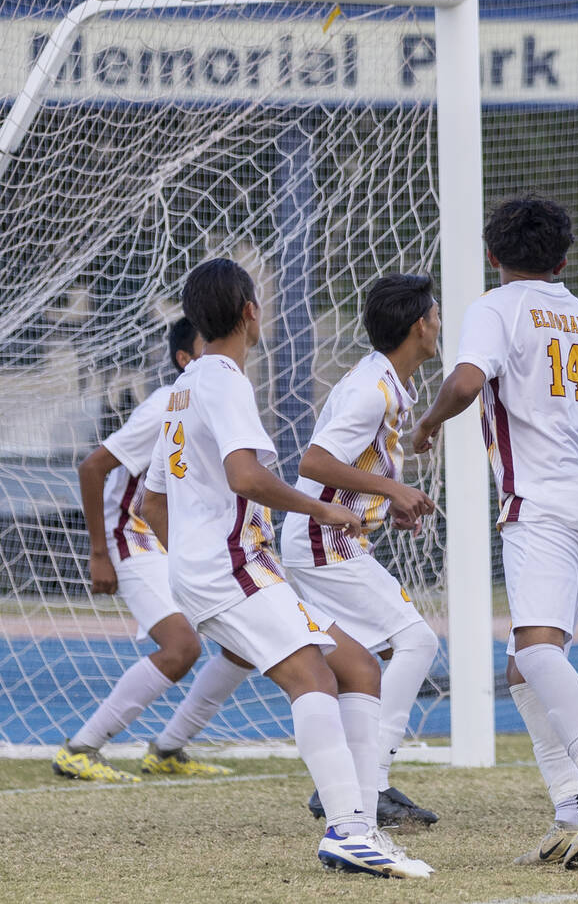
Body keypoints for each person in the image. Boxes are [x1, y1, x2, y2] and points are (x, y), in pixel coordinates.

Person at [140, 259, 431, 879]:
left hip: (218, 567)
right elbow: (248, 476)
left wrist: (190, 566)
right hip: (233, 566)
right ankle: (349, 831)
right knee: (314, 680)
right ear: (251, 311)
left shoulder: (184, 387)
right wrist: (323, 509)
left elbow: (151, 502)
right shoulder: (225, 381)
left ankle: (361, 824)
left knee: (355, 667)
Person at [411, 195, 578, 869]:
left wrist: (427, 425)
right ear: (564, 258)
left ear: (492, 254)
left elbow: (464, 379)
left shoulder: (496, 306)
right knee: (525, 665)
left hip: (539, 501)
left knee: (537, 652)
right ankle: (571, 805)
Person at [55, 317, 251, 784]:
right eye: (210, 345)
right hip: (133, 538)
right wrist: (99, 553)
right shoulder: (168, 402)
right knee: (182, 646)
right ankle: (80, 748)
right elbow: (91, 468)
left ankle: (167, 749)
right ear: (186, 359)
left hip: (179, 544)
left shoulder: (222, 400)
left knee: (246, 642)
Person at [280, 272, 441, 831]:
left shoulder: (387, 382)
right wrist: (395, 489)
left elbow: (355, 465)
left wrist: (383, 501)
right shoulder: (373, 389)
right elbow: (314, 463)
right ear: (420, 325)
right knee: (415, 641)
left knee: (370, 663)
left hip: (335, 538)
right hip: (321, 542)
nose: (440, 324)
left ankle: (352, 781)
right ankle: (368, 779)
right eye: (436, 315)